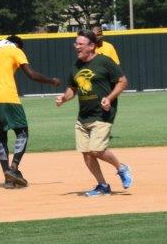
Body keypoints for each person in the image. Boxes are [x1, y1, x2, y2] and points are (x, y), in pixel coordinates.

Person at [55, 30, 133, 196]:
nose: (77, 47)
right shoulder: (76, 66)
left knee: (97, 150)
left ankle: (121, 168)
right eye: (76, 43)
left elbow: (122, 81)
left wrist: (110, 98)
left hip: (103, 114)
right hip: (83, 116)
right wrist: (64, 98)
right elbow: (72, 89)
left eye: (80, 44)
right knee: (87, 153)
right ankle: (102, 185)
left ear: (91, 46)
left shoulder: (104, 61)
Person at [0, 35, 61, 188]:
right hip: (8, 97)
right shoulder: (15, 50)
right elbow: (31, 74)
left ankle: (8, 179)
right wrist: (51, 81)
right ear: (18, 45)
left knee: (1, 138)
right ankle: (14, 169)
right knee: (22, 133)